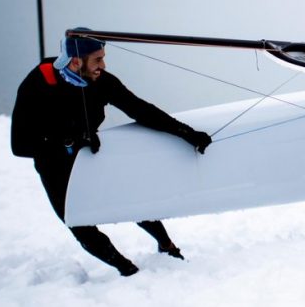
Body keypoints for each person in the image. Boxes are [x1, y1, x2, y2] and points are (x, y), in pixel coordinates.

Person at [11, 29, 213, 276]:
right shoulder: (38, 84)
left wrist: (186, 133)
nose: (103, 66)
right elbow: (20, 145)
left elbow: (140, 110)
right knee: (79, 223)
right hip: (54, 165)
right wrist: (71, 139)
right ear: (75, 62)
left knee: (130, 200)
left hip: (90, 155)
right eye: (97, 60)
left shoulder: (101, 81)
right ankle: (127, 270)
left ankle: (167, 246)